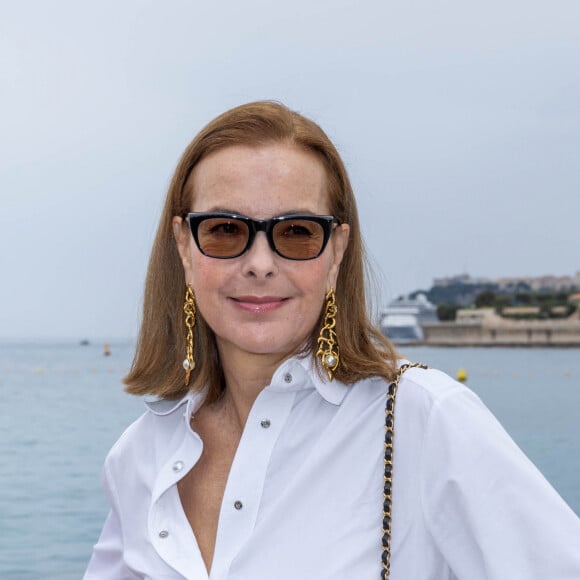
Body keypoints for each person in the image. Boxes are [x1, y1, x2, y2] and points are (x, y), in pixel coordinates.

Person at [84, 101, 580, 580]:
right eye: (225, 230)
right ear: (184, 248)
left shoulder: (421, 421)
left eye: (297, 232)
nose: (260, 262)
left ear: (336, 251)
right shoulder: (141, 457)